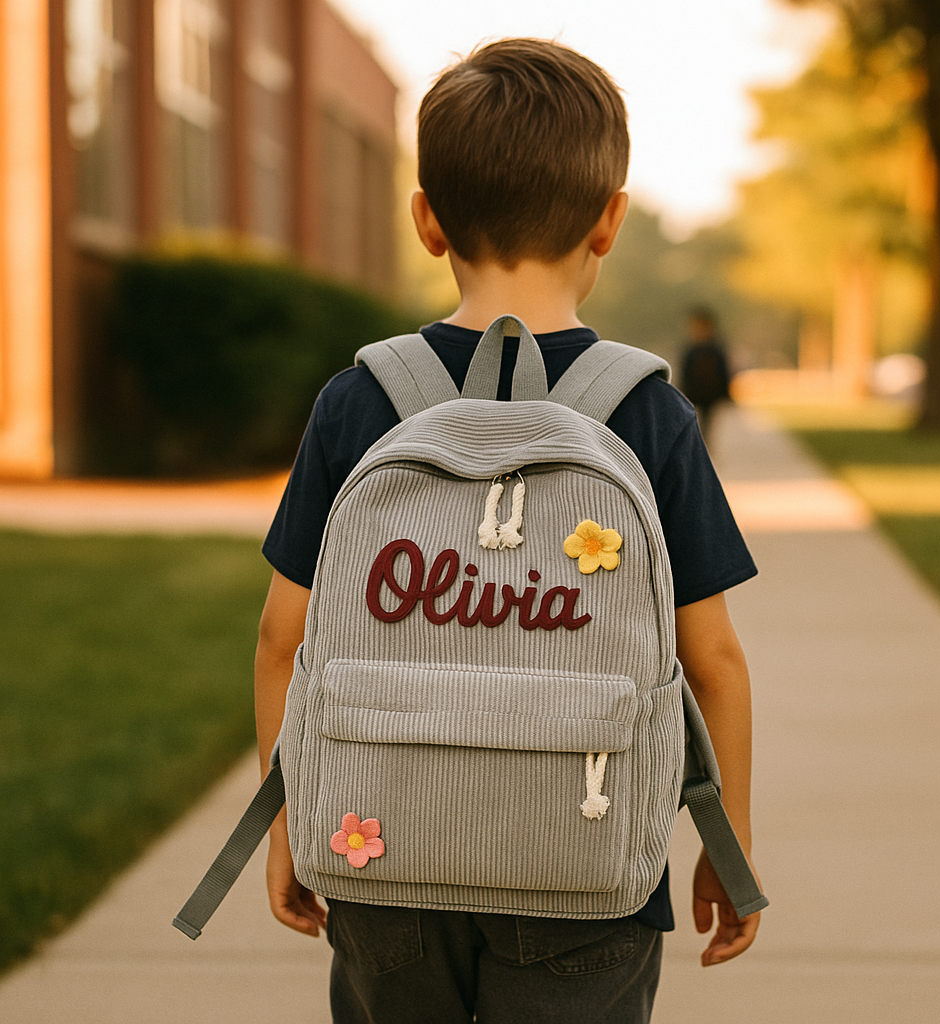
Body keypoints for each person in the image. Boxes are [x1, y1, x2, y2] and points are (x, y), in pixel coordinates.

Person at [254, 38, 761, 1024]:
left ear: (425, 219)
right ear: (609, 220)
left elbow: (284, 639)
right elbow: (716, 665)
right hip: (588, 859)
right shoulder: (649, 416)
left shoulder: (358, 403)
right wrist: (727, 846)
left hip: (379, 846)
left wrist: (291, 826)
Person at [679, 307, 732, 441]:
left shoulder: (715, 348)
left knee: (706, 424)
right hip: (694, 393)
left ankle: (702, 447)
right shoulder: (691, 349)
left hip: (710, 394)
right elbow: (685, 373)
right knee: (692, 422)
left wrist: (725, 392)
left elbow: (723, 371)